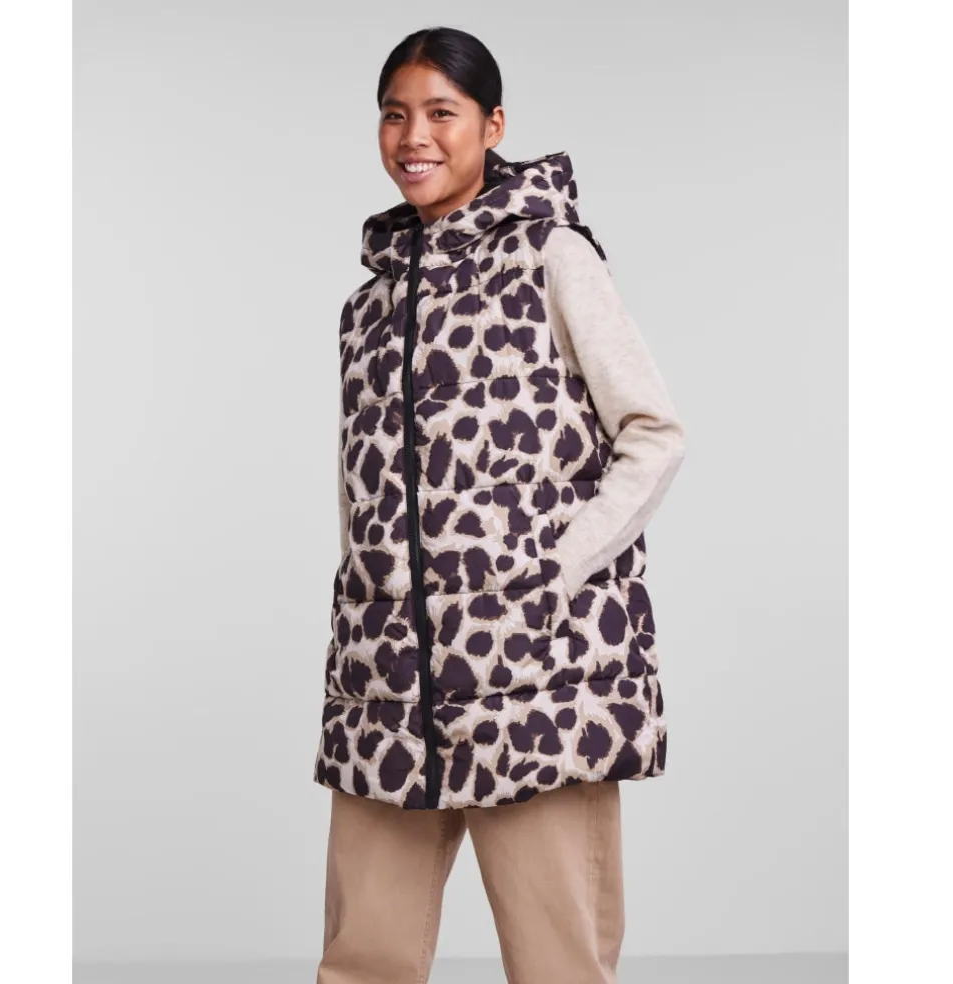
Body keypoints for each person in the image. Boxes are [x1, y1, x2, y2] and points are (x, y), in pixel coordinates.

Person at [313, 26, 686, 984]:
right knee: (362, 961)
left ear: (493, 125)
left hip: (536, 675)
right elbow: (364, 489)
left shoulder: (551, 257)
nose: (414, 137)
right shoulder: (368, 305)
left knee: (559, 961)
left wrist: (552, 571)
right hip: (390, 683)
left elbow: (653, 432)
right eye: (394, 115)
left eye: (441, 112)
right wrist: (365, 599)